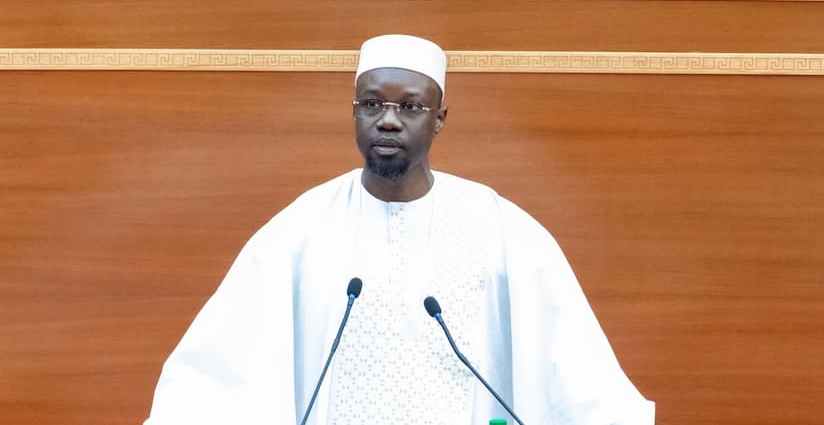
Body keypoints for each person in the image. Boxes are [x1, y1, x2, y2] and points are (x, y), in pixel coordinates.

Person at [144, 34, 655, 425]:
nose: (387, 120)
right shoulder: (300, 231)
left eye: (409, 106)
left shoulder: (500, 230)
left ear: (439, 119)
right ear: (354, 114)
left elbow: (579, 378)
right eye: (372, 104)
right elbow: (214, 378)